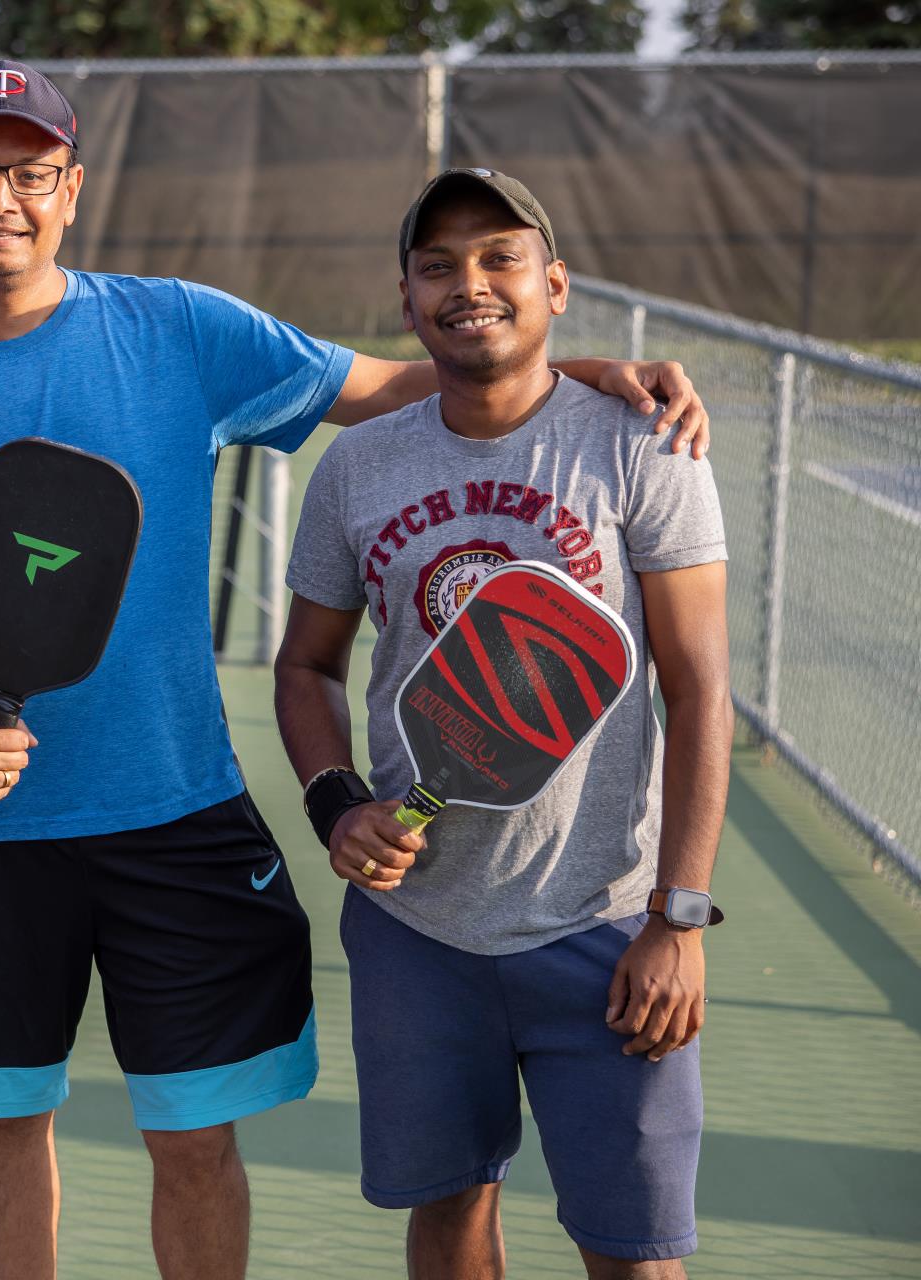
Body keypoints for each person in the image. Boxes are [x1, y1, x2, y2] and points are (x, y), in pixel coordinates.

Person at [0, 62, 714, 1280]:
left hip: (180, 819)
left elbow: (403, 382)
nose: (1, 200)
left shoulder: (180, 325)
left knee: (193, 1139)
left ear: (71, 188)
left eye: (30, 173)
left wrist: (589, 371)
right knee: (6, 1118)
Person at [274, 168, 731, 1278]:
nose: (468, 283)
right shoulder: (358, 469)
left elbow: (699, 685)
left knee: (636, 1253)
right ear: (405, 299)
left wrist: (677, 916)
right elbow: (307, 665)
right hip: (415, 933)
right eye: (438, 265)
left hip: (604, 925)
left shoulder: (640, 443)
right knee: (449, 1220)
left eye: (499, 257)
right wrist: (338, 804)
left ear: (556, 283)